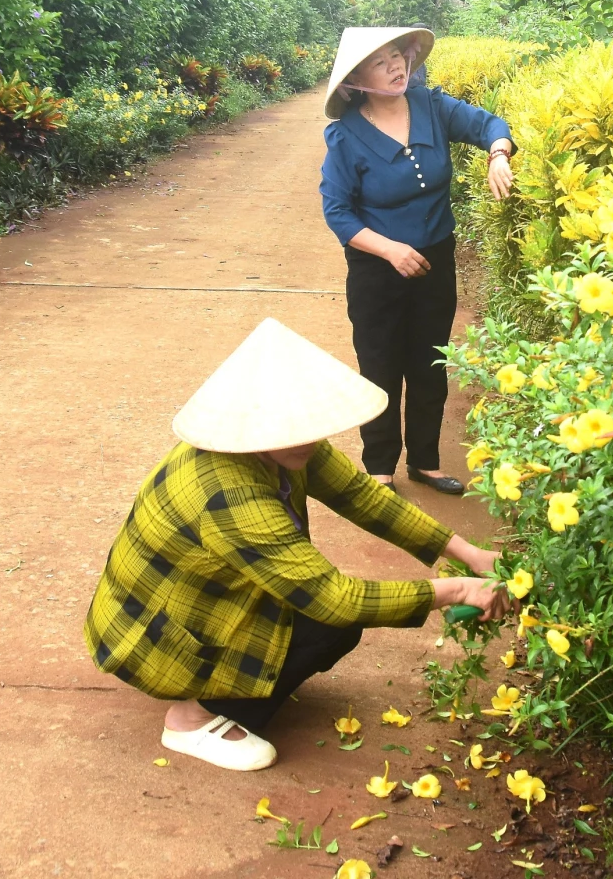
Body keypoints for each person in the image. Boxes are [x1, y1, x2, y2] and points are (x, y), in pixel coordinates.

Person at [83, 317, 509, 772]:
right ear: (254, 420)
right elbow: (334, 599)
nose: (310, 437)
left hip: (198, 603)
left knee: (323, 624)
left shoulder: (280, 441)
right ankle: (192, 716)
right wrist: (457, 591)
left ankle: (239, 680)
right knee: (332, 622)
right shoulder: (230, 491)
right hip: (156, 635)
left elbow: (362, 497)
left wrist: (469, 554)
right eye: (297, 426)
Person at [318, 26, 515, 493]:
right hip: (377, 271)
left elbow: (489, 124)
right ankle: (380, 469)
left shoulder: (432, 106)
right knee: (380, 364)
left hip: (435, 261)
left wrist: (498, 154)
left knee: (430, 362)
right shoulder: (346, 137)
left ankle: (425, 461)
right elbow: (337, 211)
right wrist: (390, 249)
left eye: (397, 56)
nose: (395, 66)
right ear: (356, 80)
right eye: (379, 62)